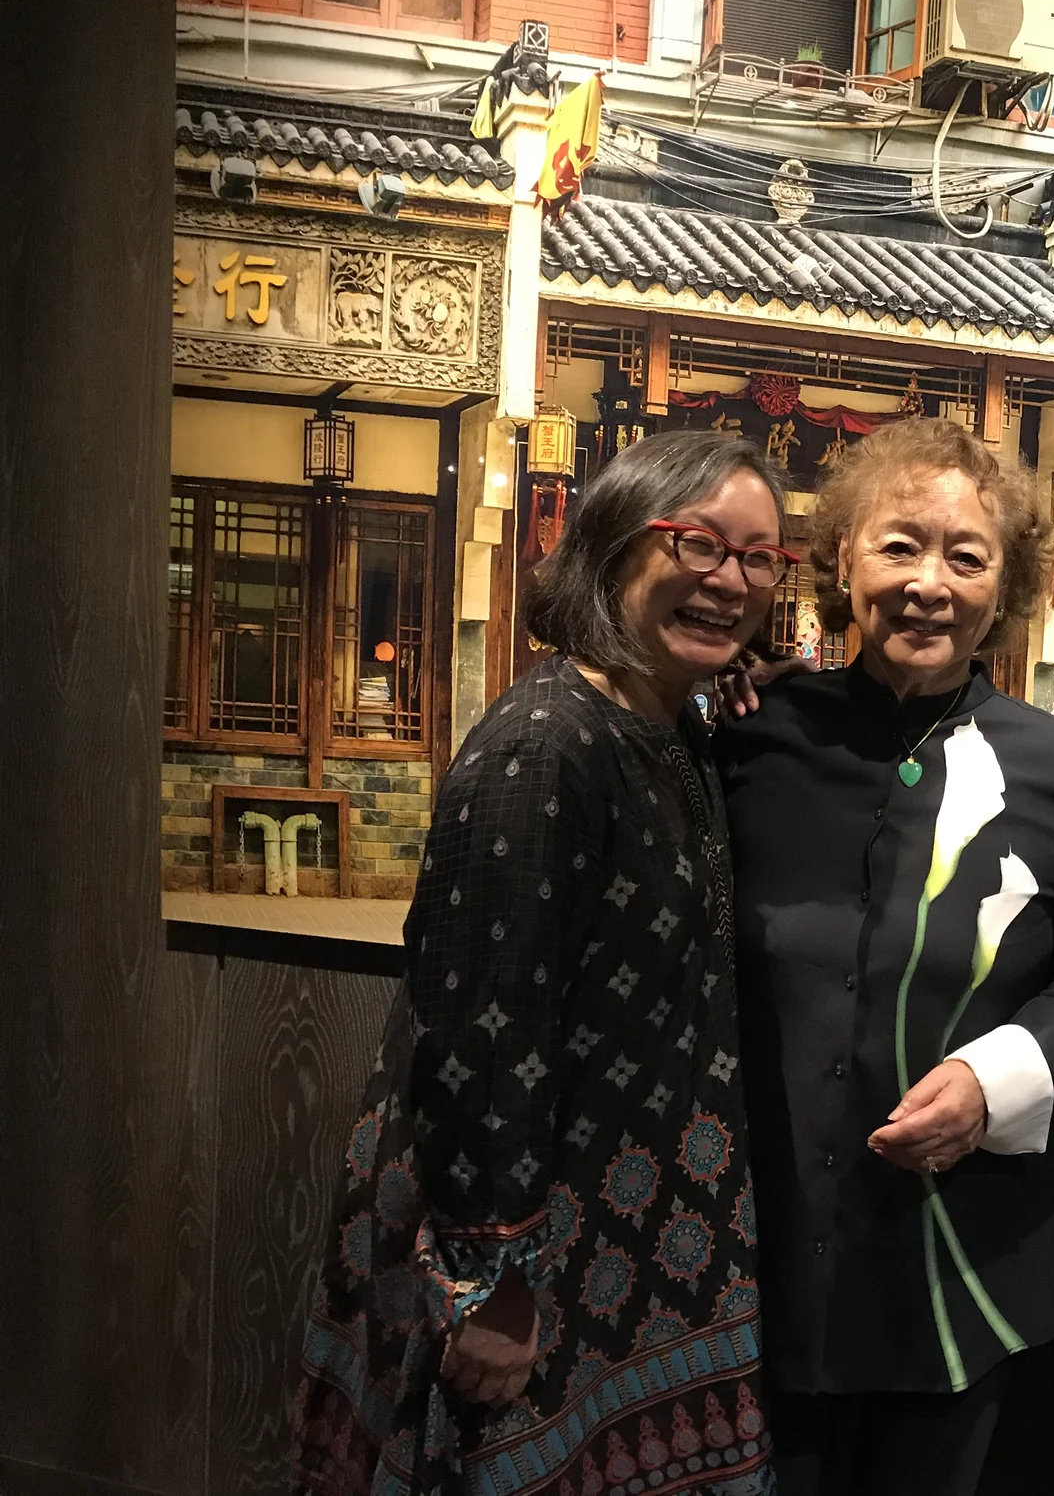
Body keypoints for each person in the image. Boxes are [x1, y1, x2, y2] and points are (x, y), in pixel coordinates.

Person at [294, 432, 794, 1496]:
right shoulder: (543, 747)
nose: (730, 580)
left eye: (760, 559)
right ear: (615, 546)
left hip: (637, 1232)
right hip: (529, 1251)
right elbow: (481, 1037)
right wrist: (489, 1284)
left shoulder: (670, 722)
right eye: (698, 543)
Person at [714, 416, 1054, 1496]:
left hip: (956, 1258)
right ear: (840, 559)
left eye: (965, 555)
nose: (927, 584)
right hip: (751, 1246)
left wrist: (998, 1083)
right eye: (898, 545)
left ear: (1007, 585)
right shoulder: (748, 738)